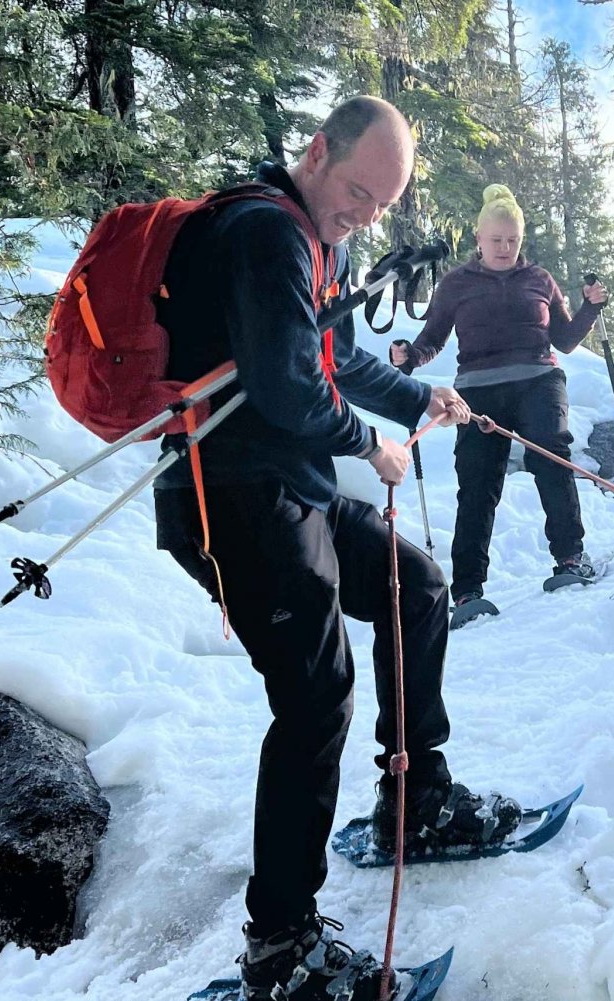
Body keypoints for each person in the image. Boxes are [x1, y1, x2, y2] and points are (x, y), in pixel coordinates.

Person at [152, 97, 522, 1001]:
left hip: (291, 491)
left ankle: (414, 799)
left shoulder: (327, 239)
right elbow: (287, 391)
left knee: (417, 583)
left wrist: (416, 397)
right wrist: (373, 447)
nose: (365, 212)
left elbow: (334, 358)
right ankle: (279, 949)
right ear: (316, 153)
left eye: (382, 203)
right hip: (228, 499)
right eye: (358, 189)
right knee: (317, 696)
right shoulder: (263, 235)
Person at [391, 184, 609, 621]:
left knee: (552, 457)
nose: (505, 248)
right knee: (477, 484)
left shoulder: (539, 280)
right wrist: (410, 357)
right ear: (479, 239)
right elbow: (433, 338)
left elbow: (564, 340)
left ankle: (570, 558)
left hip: (539, 380)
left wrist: (589, 308)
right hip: (477, 389)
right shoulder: (456, 284)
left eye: (512, 240)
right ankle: (468, 591)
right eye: (496, 240)